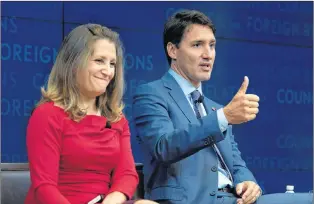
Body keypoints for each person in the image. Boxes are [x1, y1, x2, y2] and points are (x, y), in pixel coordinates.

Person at [132, 10, 313, 204]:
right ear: (172, 50)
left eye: (212, 45)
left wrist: (247, 181)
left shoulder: (214, 108)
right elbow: (164, 147)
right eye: (197, 45)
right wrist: (223, 117)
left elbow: (236, 165)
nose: (208, 54)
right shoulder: (151, 94)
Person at [25, 24, 158, 204]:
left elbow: (126, 174)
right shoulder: (47, 114)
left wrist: (110, 201)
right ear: (73, 63)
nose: (108, 71)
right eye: (99, 61)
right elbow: (44, 187)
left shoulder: (117, 120)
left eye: (112, 64)